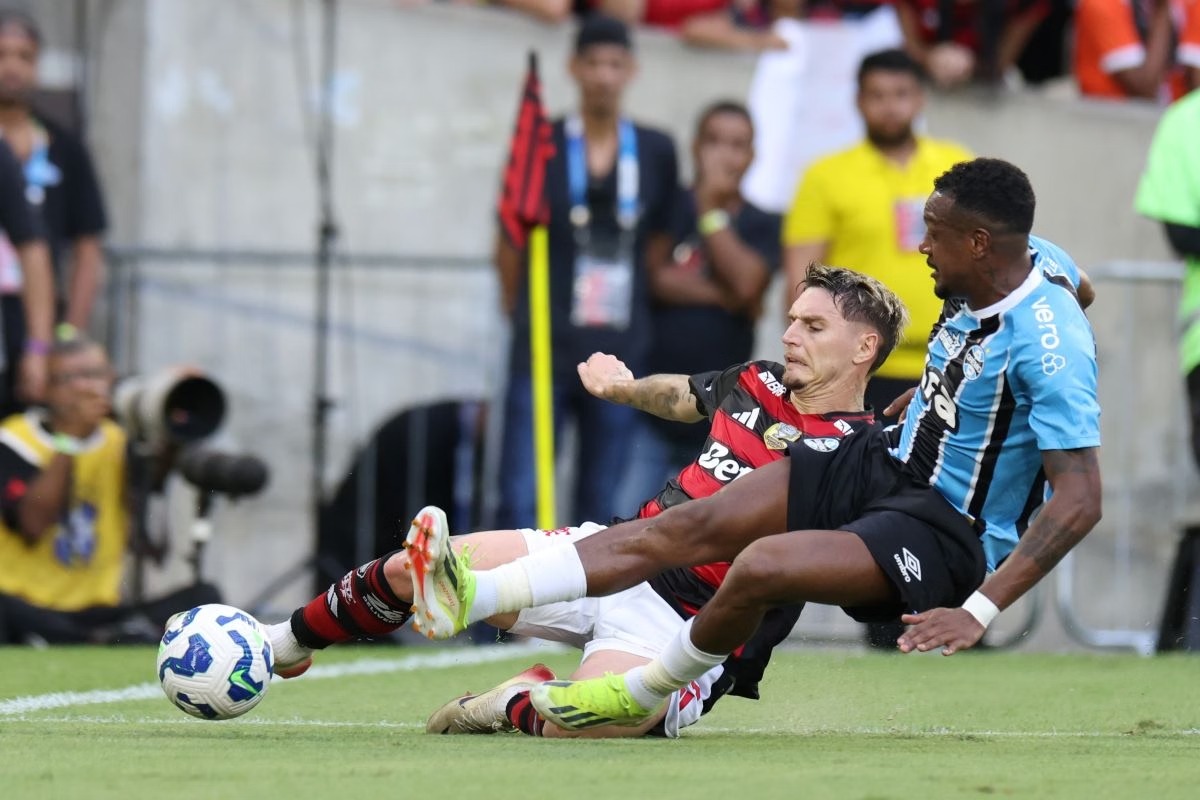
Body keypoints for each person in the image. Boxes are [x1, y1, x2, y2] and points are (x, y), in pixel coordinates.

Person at [406, 159, 1103, 731]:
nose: (921, 245)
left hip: (942, 525)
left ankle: (650, 686)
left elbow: (1080, 502)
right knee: (691, 522)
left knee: (764, 563)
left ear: (981, 244)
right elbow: (1073, 289)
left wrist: (979, 610)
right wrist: (931, 399)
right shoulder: (1035, 260)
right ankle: (472, 591)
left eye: (935, 233)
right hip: (883, 459)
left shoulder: (1052, 346)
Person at [265, 263, 904, 738]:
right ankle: (282, 643)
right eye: (792, 318)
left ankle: (517, 698)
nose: (791, 334)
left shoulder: (859, 455)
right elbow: (681, 395)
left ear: (864, 348)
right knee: (418, 567)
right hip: (610, 555)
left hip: (689, 624)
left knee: (587, 722)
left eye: (813, 326)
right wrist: (624, 388)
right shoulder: (755, 381)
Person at [783, 47, 971, 647]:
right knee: (871, 502)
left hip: (947, 366)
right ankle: (890, 621)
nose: (890, 106)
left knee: (953, 498)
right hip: (864, 371)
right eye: (877, 95)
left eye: (901, 93)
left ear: (920, 98)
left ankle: (960, 618)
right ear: (859, 101)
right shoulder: (827, 175)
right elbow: (803, 278)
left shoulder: (956, 169)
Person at [493, 13, 678, 529]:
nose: (602, 75)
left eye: (614, 64)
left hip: (620, 350)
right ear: (574, 68)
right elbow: (508, 237)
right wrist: (523, 313)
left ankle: (587, 608)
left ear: (631, 70)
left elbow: (659, 241)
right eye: (592, 63)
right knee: (520, 497)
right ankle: (507, 608)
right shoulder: (542, 141)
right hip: (544, 346)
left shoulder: (656, 149)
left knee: (603, 501)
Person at [615, 100, 780, 514]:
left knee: (691, 536)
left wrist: (708, 210)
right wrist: (725, 295)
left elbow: (746, 282)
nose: (725, 154)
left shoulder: (764, 221)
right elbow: (655, 278)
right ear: (695, 147)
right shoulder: (670, 204)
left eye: (737, 144)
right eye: (714, 142)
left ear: (753, 154)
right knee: (624, 519)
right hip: (648, 404)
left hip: (717, 416)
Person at [0, 335, 218, 644]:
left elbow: (155, 485)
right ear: (46, 389)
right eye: (73, 378)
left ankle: (96, 636)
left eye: (98, 374)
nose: (89, 387)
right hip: (27, 605)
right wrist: (72, 439)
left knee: (204, 597)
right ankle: (96, 638)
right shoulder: (14, 438)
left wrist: (175, 402)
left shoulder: (118, 439)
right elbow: (33, 525)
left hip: (98, 607)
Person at [894, 0, 1049, 88]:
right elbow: (910, 46)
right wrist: (930, 58)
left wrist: (971, 64)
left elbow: (1004, 60)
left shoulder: (1022, 4)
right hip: (923, 81)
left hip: (989, 84)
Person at [1073, 0, 1193, 102]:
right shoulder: (1103, 4)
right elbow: (1145, 88)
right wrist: (1162, 11)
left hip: (1172, 110)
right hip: (1114, 118)